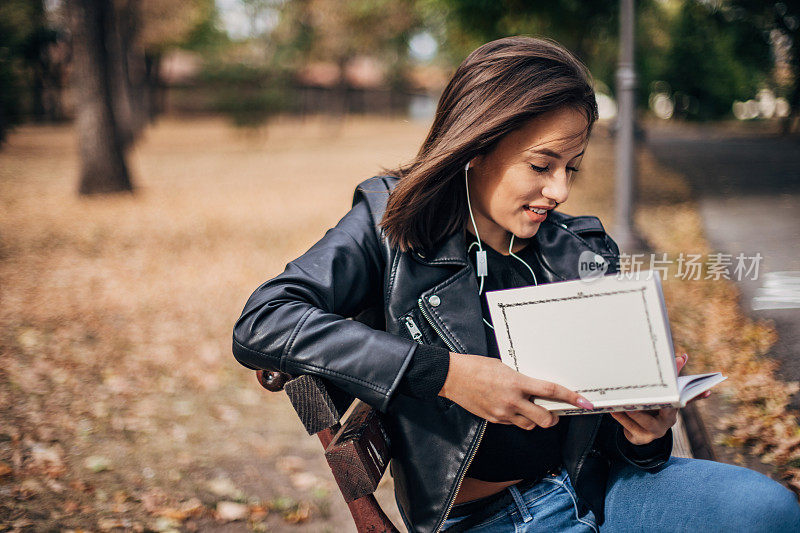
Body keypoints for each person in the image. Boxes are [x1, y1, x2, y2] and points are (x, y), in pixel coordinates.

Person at [232, 36, 800, 533]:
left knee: (769, 511)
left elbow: (613, 441)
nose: (559, 192)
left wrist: (646, 435)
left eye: (571, 167)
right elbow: (265, 320)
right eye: (541, 164)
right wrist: (448, 375)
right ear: (478, 144)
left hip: (602, 491)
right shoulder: (389, 223)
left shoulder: (579, 252)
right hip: (493, 518)